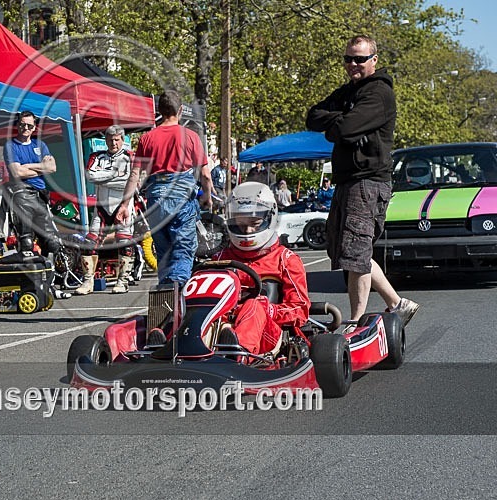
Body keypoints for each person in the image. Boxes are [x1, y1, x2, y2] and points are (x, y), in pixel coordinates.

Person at [306, 34, 418, 326]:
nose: (353, 64)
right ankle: (398, 303)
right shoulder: (348, 92)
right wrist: (342, 120)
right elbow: (313, 117)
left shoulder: (379, 93)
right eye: (348, 59)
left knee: (355, 252)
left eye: (360, 59)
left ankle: (355, 323)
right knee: (348, 250)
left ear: (374, 60)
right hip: (347, 179)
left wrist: (341, 123)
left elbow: (345, 129)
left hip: (368, 181)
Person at [116, 90, 214, 287]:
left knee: (164, 253)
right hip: (181, 198)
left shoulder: (147, 138)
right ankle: (178, 297)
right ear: (179, 111)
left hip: (156, 199)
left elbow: (135, 175)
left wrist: (124, 204)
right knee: (183, 249)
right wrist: (208, 197)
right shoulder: (191, 137)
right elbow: (205, 175)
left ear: (158, 111)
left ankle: (166, 300)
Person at [210, 182, 310, 355]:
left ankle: (237, 355)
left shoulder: (285, 259)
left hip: (267, 333)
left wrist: (268, 309)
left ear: (269, 218)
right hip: (222, 326)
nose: (247, 230)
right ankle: (171, 350)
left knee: (254, 306)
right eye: (240, 225)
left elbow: (300, 310)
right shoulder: (220, 259)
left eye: (254, 223)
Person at [75, 125, 135, 295]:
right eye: (110, 139)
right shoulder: (97, 156)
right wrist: (116, 175)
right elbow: (90, 176)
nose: (113, 143)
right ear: (105, 140)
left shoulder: (129, 156)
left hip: (123, 206)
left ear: (122, 140)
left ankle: (122, 281)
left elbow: (130, 181)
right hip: (101, 208)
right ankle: (88, 282)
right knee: (89, 243)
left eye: (117, 139)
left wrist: (105, 177)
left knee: (124, 243)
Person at [2, 110, 61, 258]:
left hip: (40, 195)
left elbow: (52, 167)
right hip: (21, 193)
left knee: (52, 243)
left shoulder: (40, 145)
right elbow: (17, 173)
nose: (26, 128)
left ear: (35, 127)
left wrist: (27, 167)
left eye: (29, 126)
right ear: (17, 125)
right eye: (22, 125)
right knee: (26, 242)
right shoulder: (10, 146)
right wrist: (41, 168)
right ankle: (29, 276)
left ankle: (49, 275)